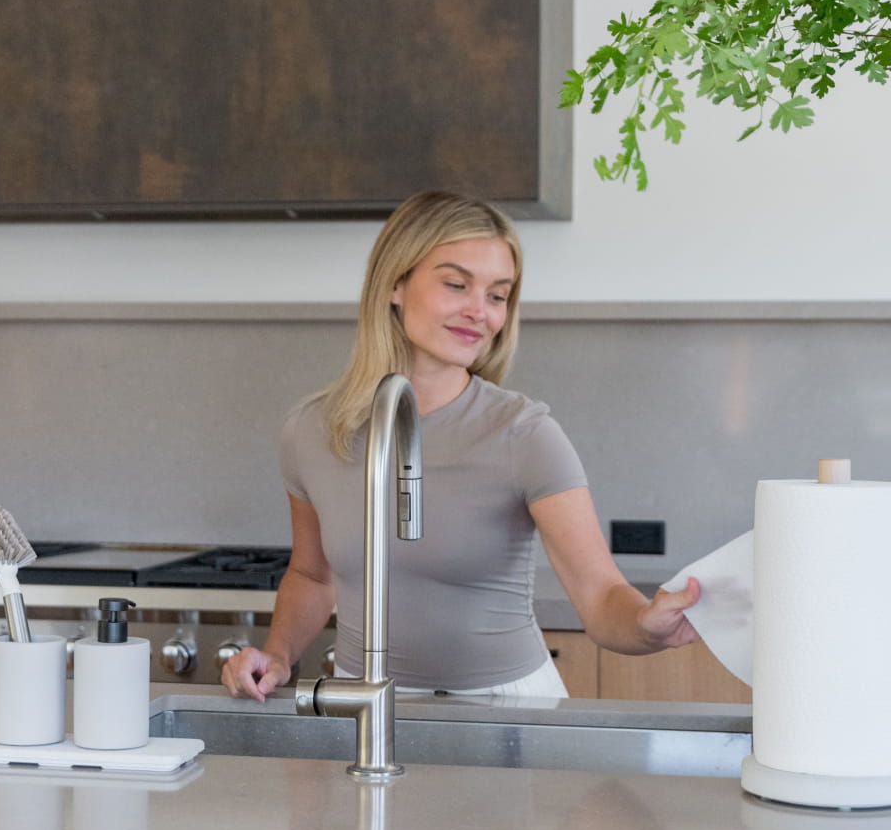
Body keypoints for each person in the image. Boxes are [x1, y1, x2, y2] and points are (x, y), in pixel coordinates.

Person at [222, 190, 701, 700]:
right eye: (456, 285)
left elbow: (599, 593)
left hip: (504, 706)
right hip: (366, 700)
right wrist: (277, 654)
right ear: (395, 284)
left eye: (498, 295)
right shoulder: (314, 430)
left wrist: (646, 624)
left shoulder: (524, 434)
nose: (481, 311)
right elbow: (313, 576)